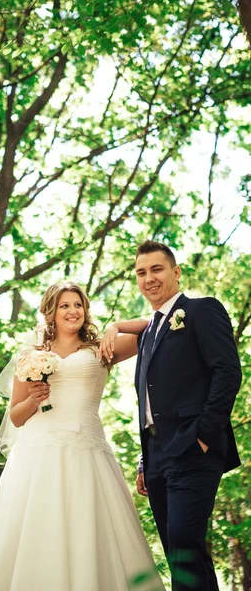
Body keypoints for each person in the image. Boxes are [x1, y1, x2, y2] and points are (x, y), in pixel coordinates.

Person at [0, 282, 165, 591]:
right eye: (65, 306)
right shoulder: (31, 355)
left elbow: (156, 324)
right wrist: (34, 399)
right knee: (36, 529)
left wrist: (116, 326)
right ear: (51, 312)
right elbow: (16, 416)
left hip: (88, 449)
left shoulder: (101, 348)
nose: (73, 311)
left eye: (78, 305)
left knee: (89, 529)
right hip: (37, 450)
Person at [100, 240, 242, 591]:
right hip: (157, 458)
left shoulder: (201, 311)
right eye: (141, 273)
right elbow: (149, 404)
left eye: (157, 269)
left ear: (176, 272)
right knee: (182, 552)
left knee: (183, 543)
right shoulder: (148, 332)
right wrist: (144, 462)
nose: (149, 278)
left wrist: (204, 436)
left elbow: (227, 373)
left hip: (194, 448)